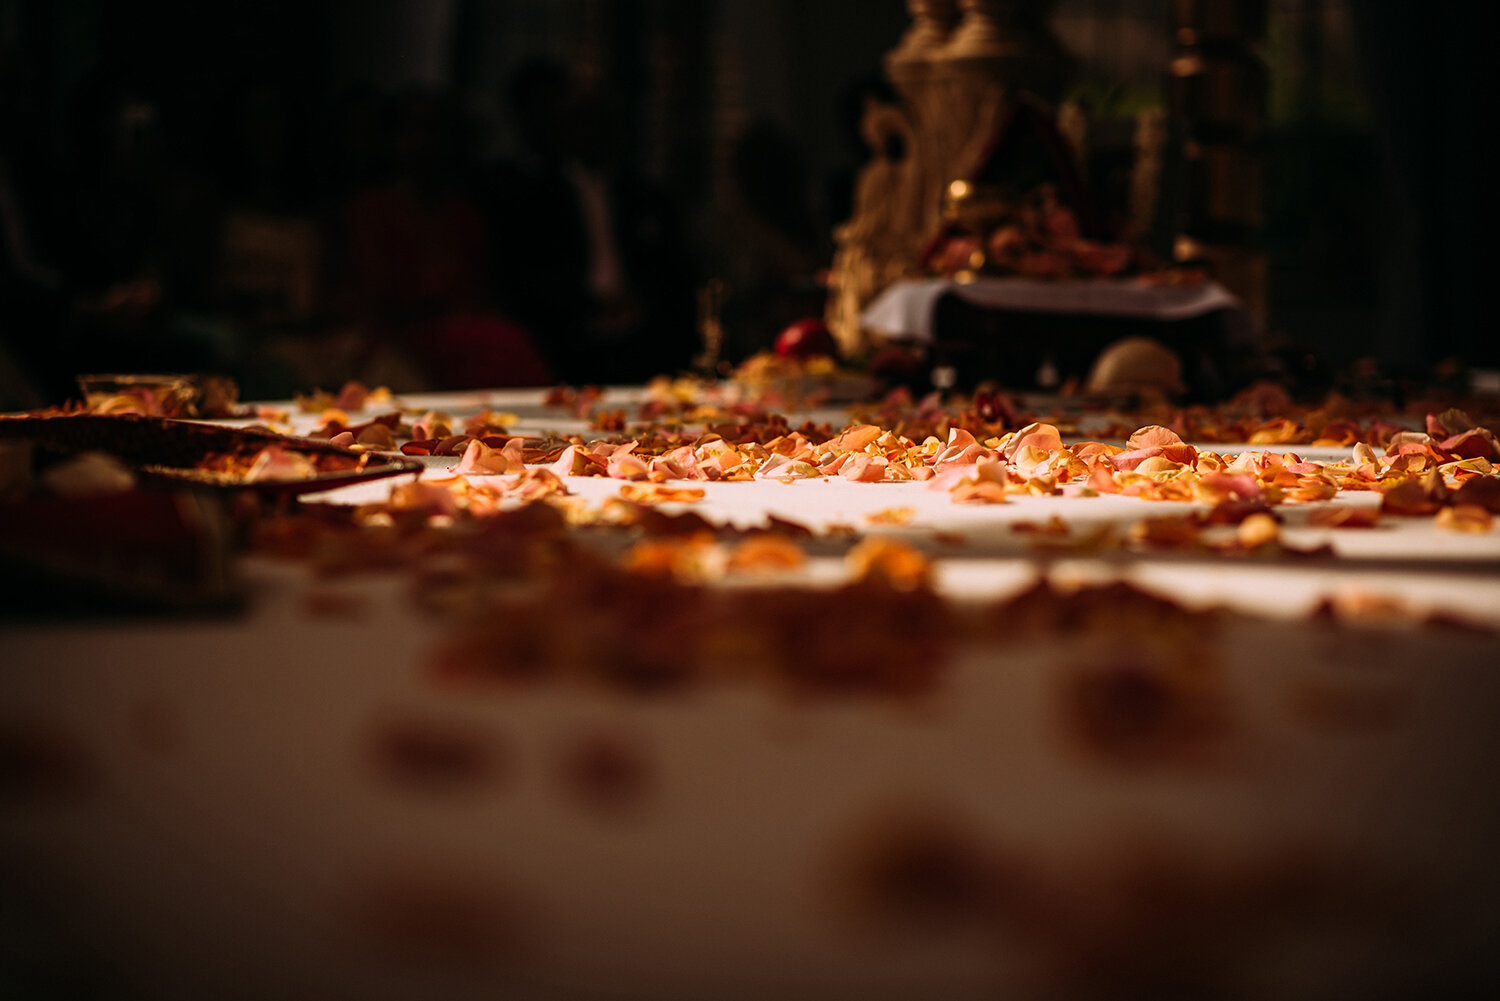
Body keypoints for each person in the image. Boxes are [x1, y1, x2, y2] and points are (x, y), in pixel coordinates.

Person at [480, 58, 697, 385]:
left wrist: (639, 306)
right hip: (567, 337)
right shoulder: (532, 197)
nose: (591, 132)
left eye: (601, 120)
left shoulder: (645, 196)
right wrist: (584, 306)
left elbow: (674, 275)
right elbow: (523, 276)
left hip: (642, 338)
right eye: (580, 120)